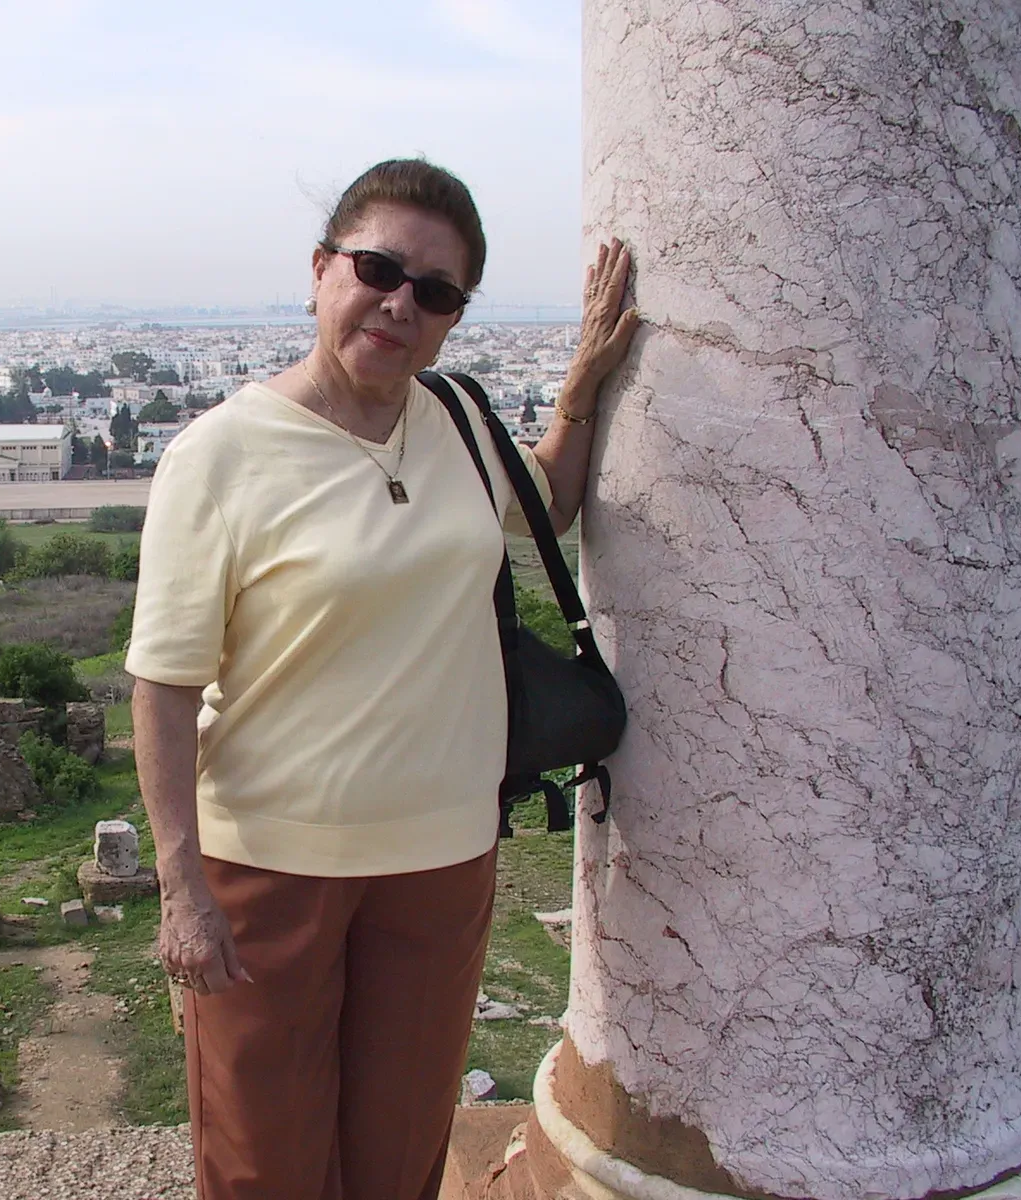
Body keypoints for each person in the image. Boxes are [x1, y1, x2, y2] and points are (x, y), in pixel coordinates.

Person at [126, 158, 640, 1200]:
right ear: (322, 270)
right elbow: (165, 686)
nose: (399, 303)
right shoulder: (222, 453)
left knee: (398, 1149)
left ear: (452, 318)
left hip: (442, 857)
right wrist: (181, 887)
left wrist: (583, 387)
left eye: (437, 292)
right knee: (264, 1157)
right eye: (377, 268)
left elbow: (545, 499)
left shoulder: (452, 422)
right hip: (269, 866)